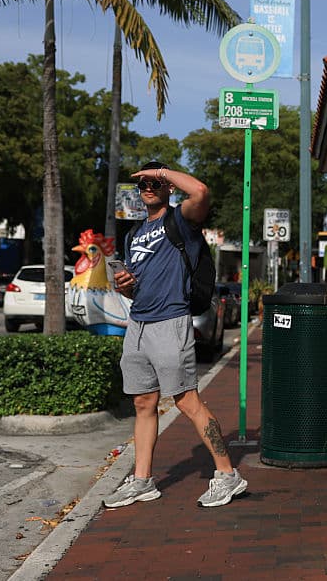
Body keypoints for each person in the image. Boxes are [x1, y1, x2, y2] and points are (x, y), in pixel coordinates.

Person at [104, 161, 247, 509]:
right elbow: (135, 289)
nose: (148, 187)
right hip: (138, 324)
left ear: (167, 187)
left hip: (171, 321)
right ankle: (142, 482)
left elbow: (200, 192)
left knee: (186, 400)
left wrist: (163, 172)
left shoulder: (181, 219)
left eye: (154, 182)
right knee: (143, 403)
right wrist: (124, 285)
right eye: (143, 184)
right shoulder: (133, 234)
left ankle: (228, 475)